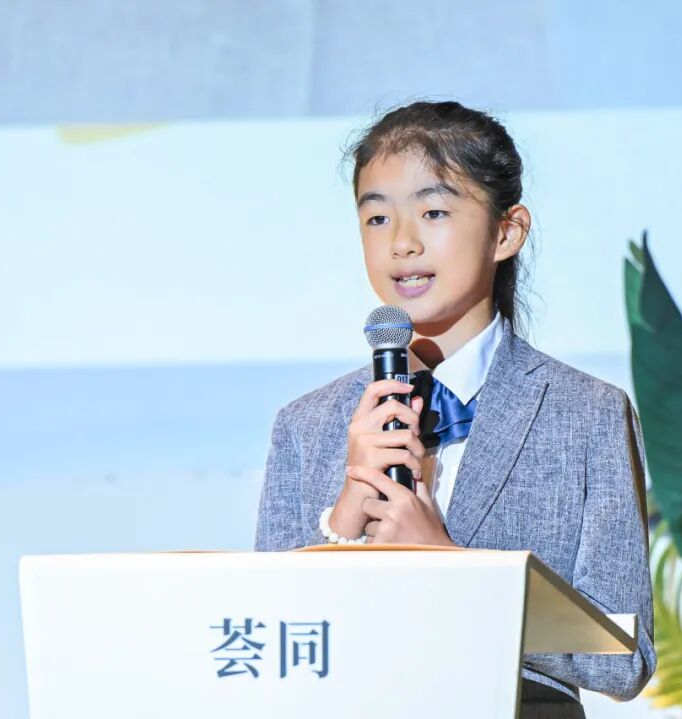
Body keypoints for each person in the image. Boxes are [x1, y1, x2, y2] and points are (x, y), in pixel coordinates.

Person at [253, 100, 655, 717]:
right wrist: (343, 522)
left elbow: (623, 658)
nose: (402, 243)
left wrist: (455, 569)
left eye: (434, 212)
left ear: (506, 232)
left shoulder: (586, 413)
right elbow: (268, 637)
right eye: (377, 217)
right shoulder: (307, 424)